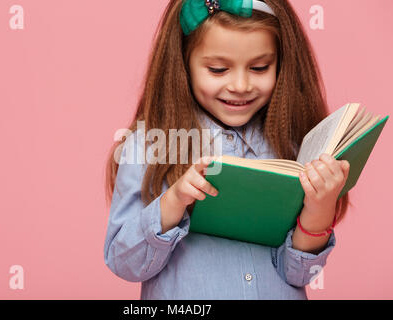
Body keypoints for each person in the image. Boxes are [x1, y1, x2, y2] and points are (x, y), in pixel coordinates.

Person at [103, 0, 351, 299]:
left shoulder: (292, 144)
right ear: (184, 64)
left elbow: (297, 273)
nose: (241, 85)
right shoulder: (149, 143)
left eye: (260, 67)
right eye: (218, 69)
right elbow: (124, 263)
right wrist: (174, 201)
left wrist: (319, 211)